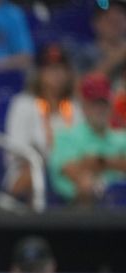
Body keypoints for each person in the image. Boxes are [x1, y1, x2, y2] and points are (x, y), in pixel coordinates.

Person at [3, 43, 81, 201]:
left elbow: (82, 144)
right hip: (31, 168)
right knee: (33, 173)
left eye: (61, 68)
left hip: (69, 169)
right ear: (39, 73)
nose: (56, 74)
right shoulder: (23, 104)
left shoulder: (74, 106)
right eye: (50, 69)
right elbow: (16, 150)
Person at [48, 72, 126, 206]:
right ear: (84, 106)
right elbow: (71, 170)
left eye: (103, 103)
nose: (100, 109)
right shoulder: (66, 137)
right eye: (94, 104)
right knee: (86, 185)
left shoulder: (122, 137)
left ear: (110, 105)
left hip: (121, 204)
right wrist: (116, 163)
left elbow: (89, 164)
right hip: (79, 208)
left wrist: (100, 162)